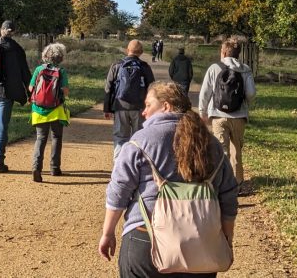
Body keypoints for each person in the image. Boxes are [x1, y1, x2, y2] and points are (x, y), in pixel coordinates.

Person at [99, 82, 238, 278]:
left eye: (148, 105)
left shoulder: (141, 140)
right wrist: (226, 239)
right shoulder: (212, 143)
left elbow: (119, 190)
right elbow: (229, 196)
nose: (143, 112)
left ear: (166, 106)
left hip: (146, 241)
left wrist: (108, 233)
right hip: (202, 246)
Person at [198, 38, 257, 188]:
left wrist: (202, 111)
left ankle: (221, 183)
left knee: (221, 150)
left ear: (223, 52)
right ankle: (237, 183)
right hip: (239, 116)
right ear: (238, 54)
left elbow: (205, 92)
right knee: (236, 150)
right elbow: (250, 93)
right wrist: (245, 105)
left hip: (218, 115)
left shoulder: (214, 68)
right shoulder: (245, 69)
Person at [0, 19, 31, 173]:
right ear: (13, 32)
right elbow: (25, 73)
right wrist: (30, 93)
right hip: (7, 92)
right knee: (2, 126)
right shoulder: (17, 49)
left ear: (1, 30)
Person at [104, 40, 155, 158]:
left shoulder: (116, 65)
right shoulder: (144, 67)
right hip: (139, 108)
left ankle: (119, 168)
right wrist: (151, 109)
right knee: (139, 138)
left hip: (120, 106)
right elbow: (152, 89)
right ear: (141, 52)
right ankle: (137, 165)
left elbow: (108, 88)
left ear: (127, 50)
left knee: (120, 137)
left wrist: (107, 109)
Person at [28, 42, 70, 182]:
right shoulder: (61, 71)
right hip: (56, 109)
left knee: (41, 138)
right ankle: (54, 168)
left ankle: (36, 168)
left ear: (45, 55)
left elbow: (30, 88)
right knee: (56, 137)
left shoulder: (39, 69)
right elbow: (65, 91)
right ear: (60, 57)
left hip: (38, 110)